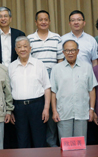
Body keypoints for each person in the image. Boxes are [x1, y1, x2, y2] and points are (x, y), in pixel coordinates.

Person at [0, 6, 24, 149]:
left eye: (6, 16)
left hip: (16, 74)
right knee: (0, 105)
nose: (3, 19)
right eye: (0, 16)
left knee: (15, 105)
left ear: (10, 18)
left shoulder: (19, 34)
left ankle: (14, 147)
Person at [50, 40, 98, 143]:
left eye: (73, 50)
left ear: (78, 51)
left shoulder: (87, 67)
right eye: (67, 50)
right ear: (63, 52)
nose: (70, 53)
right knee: (65, 144)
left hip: (82, 112)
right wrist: (54, 111)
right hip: (63, 113)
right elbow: (53, 92)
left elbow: (91, 89)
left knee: (80, 145)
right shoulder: (56, 69)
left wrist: (91, 109)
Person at [27, 10, 63, 147]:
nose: (43, 22)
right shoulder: (30, 38)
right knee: (39, 111)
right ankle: (39, 144)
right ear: (36, 22)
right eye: (40, 20)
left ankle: (52, 143)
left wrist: (58, 78)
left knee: (52, 111)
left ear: (49, 21)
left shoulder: (56, 37)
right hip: (35, 79)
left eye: (46, 19)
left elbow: (60, 60)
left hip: (53, 77)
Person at [8, 36, 50, 148]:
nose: (22, 49)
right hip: (18, 108)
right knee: (22, 140)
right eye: (19, 47)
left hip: (37, 106)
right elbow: (8, 90)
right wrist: (10, 110)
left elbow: (47, 87)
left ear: (30, 48)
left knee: (39, 140)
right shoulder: (11, 67)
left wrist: (46, 109)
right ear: (15, 50)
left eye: (25, 46)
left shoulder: (39, 64)